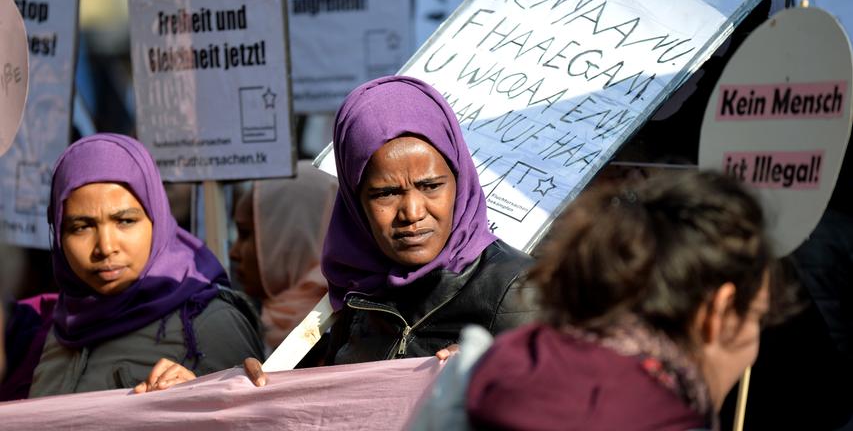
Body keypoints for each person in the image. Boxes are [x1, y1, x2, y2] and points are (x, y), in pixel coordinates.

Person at [142, 75, 538, 389]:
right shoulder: (354, 294)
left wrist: (499, 384)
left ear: (460, 180)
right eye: (385, 193)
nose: (413, 213)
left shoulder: (518, 289)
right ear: (353, 200)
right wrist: (239, 392)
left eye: (431, 186)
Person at [465, 171, 774, 430]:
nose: (754, 348)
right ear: (717, 311)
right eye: (756, 316)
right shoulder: (665, 419)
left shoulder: (489, 372)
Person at [29, 133, 264, 397]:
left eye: (125, 221)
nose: (105, 247)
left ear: (157, 218)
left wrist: (197, 401)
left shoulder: (207, 323)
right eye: (81, 227)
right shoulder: (60, 328)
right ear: (59, 234)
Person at [229, 161, 336, 353]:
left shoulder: (347, 323)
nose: (234, 253)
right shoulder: (264, 320)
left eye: (246, 234)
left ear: (291, 237)